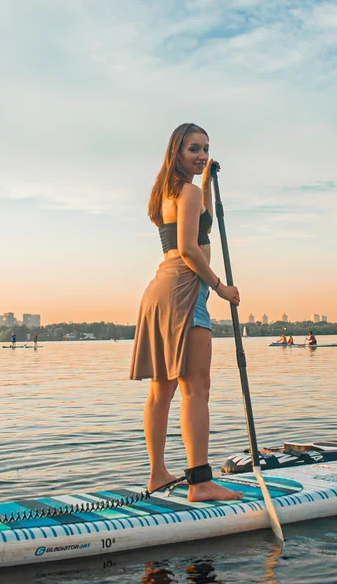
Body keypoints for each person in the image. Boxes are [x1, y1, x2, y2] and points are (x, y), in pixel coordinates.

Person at [130, 123, 243, 502]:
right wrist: (220, 287)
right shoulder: (188, 192)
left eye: (206, 149)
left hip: (159, 289)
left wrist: (207, 182)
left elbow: (201, 223)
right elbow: (191, 248)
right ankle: (200, 482)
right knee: (197, 388)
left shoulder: (169, 192)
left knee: (161, 389)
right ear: (176, 152)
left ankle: (158, 474)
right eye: (194, 149)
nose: (201, 155)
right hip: (186, 290)